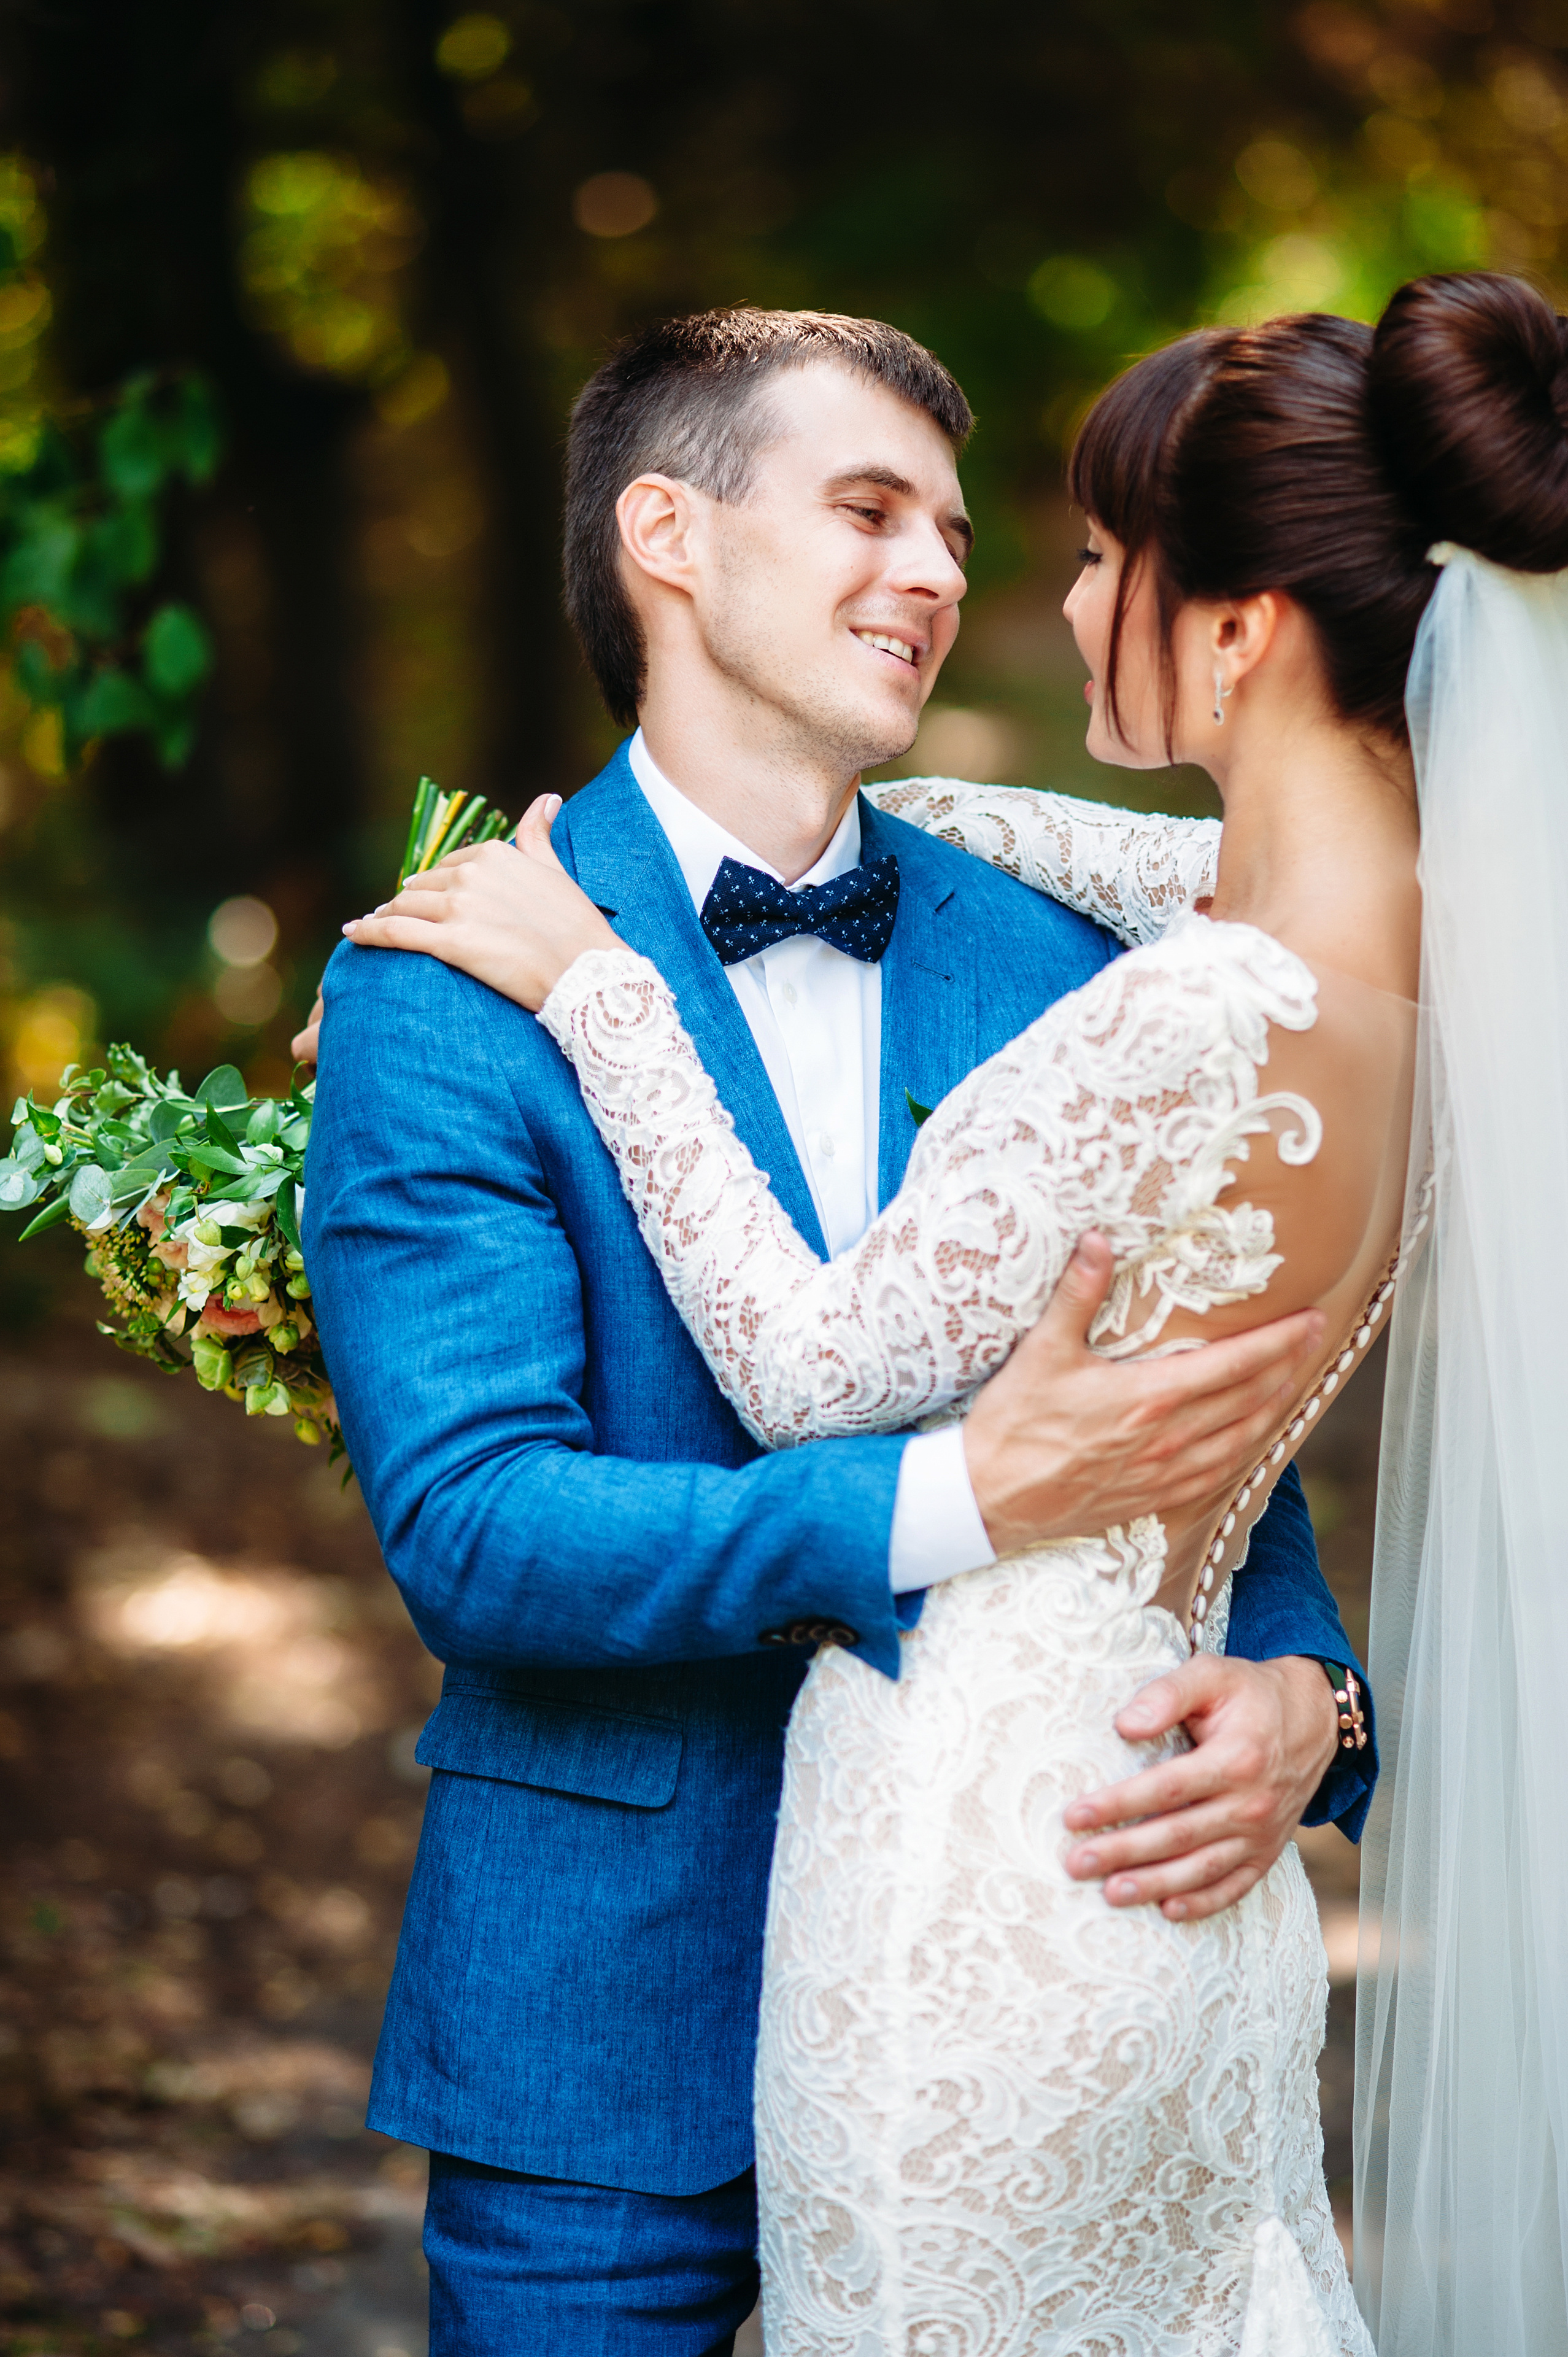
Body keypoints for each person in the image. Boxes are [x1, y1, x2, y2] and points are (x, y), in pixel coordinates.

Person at [304, 308, 1377, 2355]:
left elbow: (1207, 1405)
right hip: (616, 2060)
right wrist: (954, 1498)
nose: (940, 572)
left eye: (960, 533)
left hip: (1020, 2017)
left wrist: (1306, 1700)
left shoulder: (1090, 957)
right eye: (867, 509)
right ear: (667, 537)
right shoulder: (449, 972)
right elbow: (477, 1530)